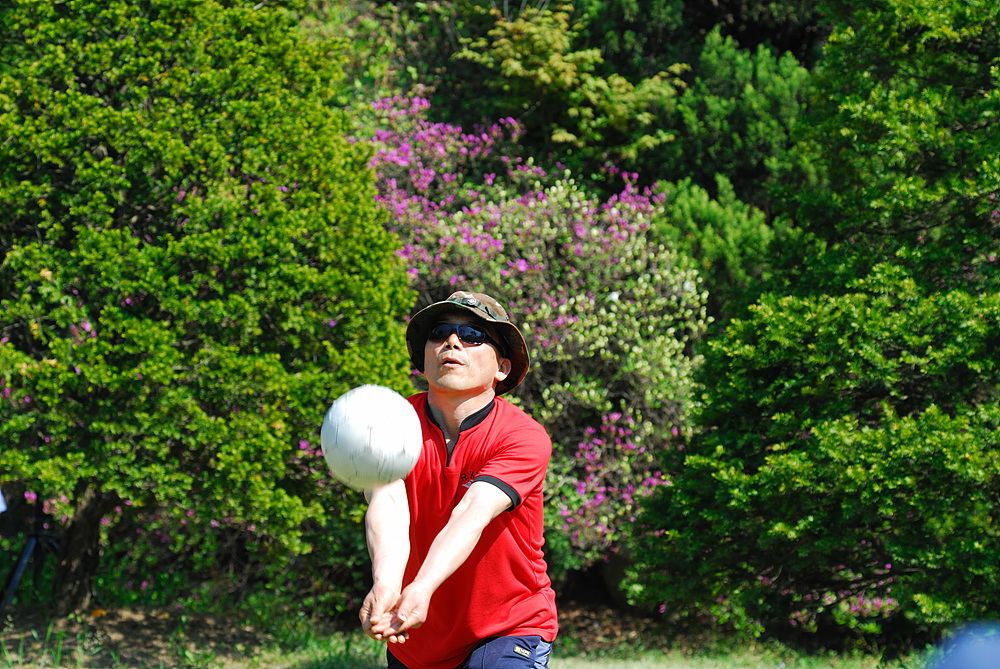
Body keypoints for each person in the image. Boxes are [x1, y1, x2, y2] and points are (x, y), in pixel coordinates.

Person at [359, 290, 558, 669]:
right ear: (423, 357)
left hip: (507, 625)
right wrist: (386, 583)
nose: (452, 341)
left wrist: (422, 586)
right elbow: (387, 505)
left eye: (472, 336)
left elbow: (472, 512)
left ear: (502, 368)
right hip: (414, 635)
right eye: (439, 333)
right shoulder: (390, 424)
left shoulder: (522, 436)